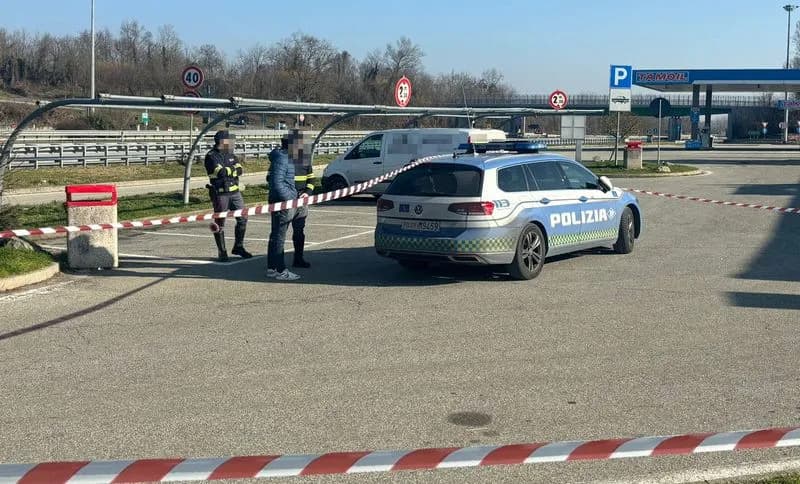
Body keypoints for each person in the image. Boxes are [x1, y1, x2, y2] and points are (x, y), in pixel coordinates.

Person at [204, 129, 252, 262]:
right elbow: (220, 173)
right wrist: (231, 170)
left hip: (235, 192)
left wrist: (229, 171)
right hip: (220, 194)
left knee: (243, 218)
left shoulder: (230, 154)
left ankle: (238, 246)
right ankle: (222, 251)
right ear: (222, 141)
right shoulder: (211, 156)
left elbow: (240, 170)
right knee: (220, 223)